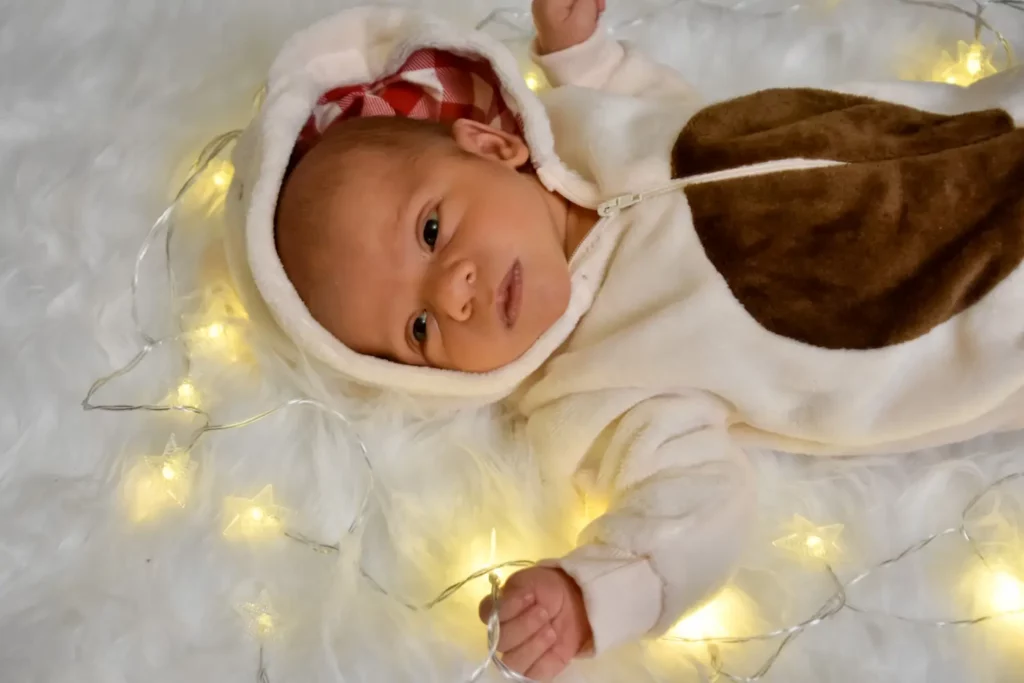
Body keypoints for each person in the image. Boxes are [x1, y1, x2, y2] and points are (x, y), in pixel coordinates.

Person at [225, 0, 1024, 679]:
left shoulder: (588, 130)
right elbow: (697, 502)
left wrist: (586, 57)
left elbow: (684, 122)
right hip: (989, 330)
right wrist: (592, 589)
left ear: (495, 146)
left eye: (432, 229)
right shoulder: (594, 391)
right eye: (419, 328)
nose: (453, 291)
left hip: (975, 128)